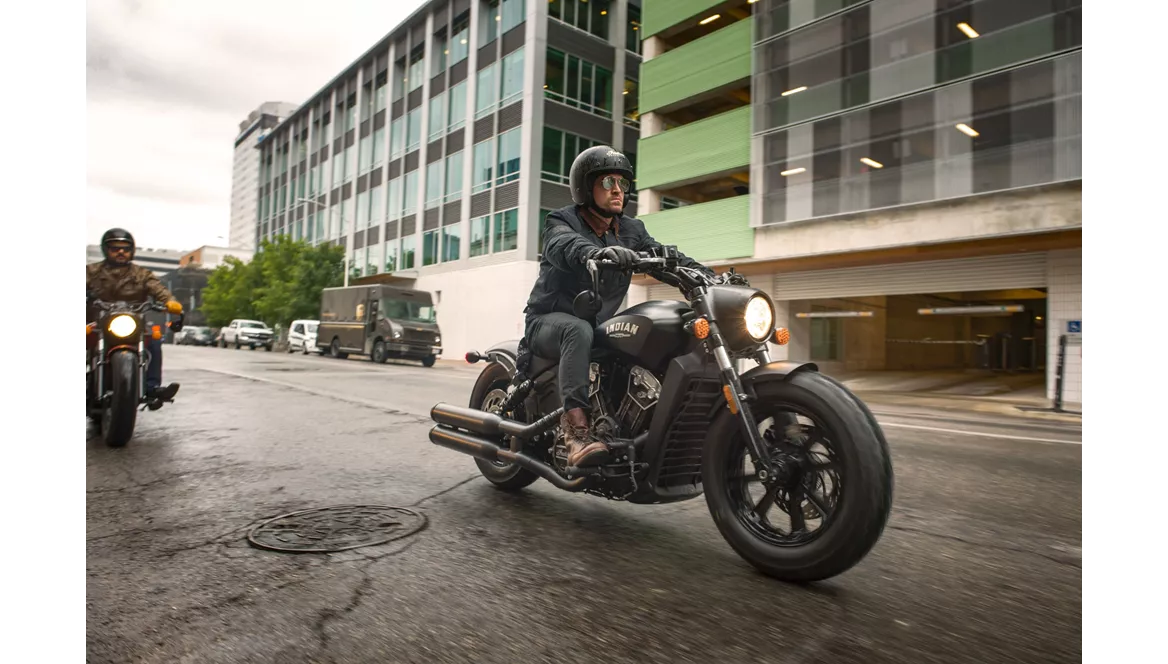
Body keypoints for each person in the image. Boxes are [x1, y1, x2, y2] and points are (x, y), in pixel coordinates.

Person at [522, 146, 714, 467]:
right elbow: (562, 244)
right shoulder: (562, 220)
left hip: (594, 325)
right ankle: (575, 433)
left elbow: (663, 256)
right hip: (548, 322)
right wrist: (593, 252)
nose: (617, 191)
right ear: (586, 187)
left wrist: (706, 276)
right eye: (608, 181)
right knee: (577, 329)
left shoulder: (631, 230)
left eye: (623, 184)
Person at [86, 228, 183, 402]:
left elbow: (158, 288)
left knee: (153, 340)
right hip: (97, 322)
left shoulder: (142, 274)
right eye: (115, 248)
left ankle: (151, 387)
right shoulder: (92, 271)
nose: (121, 251)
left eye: (125, 248)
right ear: (106, 250)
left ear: (132, 251)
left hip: (133, 322)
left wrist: (169, 301)